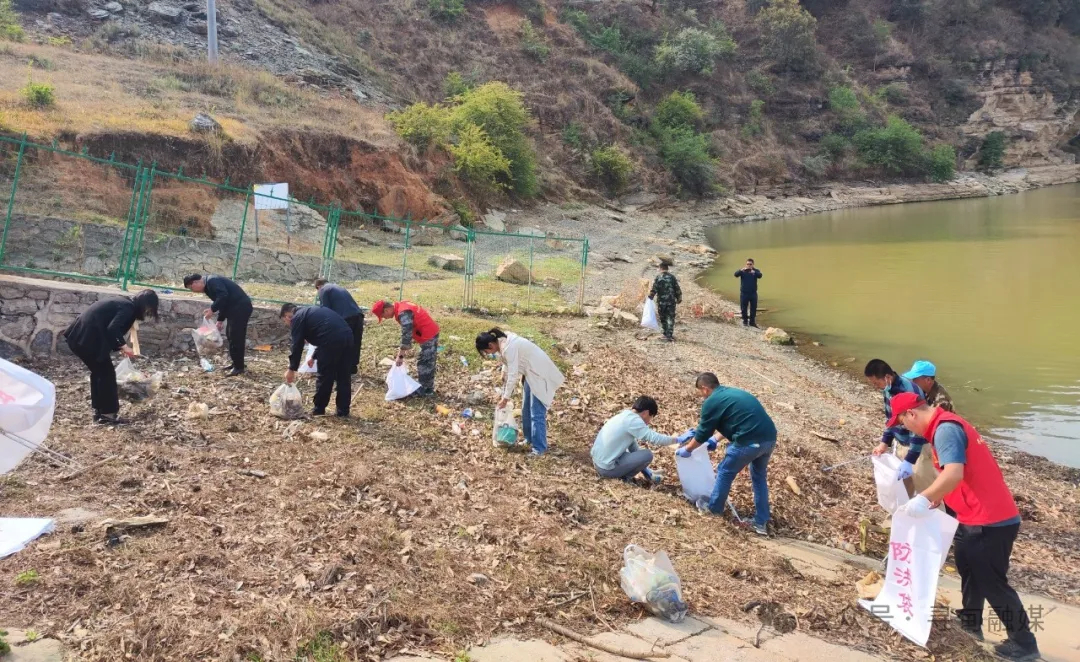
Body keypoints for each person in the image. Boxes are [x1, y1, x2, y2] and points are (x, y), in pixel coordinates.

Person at [891, 393, 1039, 661]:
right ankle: (971, 622)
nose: (905, 428)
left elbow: (954, 472)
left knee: (992, 582)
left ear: (911, 414)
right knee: (968, 567)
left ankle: (1024, 643)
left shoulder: (946, 429)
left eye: (903, 422)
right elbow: (958, 478)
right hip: (971, 516)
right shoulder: (943, 427)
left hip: (990, 520)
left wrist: (924, 498)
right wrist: (937, 498)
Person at [679, 372, 777, 536]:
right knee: (759, 478)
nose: (701, 397)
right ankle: (761, 522)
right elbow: (737, 419)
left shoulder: (711, 401)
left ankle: (714, 510)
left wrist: (687, 449)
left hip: (749, 441)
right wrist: (716, 439)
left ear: (704, 389)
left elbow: (702, 433)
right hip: (769, 439)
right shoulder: (731, 394)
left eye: (700, 393)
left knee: (725, 471)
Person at [62, 290, 159, 425]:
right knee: (106, 374)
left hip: (78, 337)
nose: (147, 312)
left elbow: (107, 326)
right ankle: (107, 414)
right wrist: (124, 346)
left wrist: (119, 346)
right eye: (148, 309)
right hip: (85, 339)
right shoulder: (128, 308)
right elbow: (113, 328)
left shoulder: (122, 302)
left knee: (99, 373)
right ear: (145, 304)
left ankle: (99, 412)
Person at [475, 328, 564, 456]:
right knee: (526, 408)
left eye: (487, 351)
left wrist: (505, 398)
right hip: (530, 373)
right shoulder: (502, 342)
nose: (489, 354)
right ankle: (529, 439)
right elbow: (508, 361)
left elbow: (513, 374)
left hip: (539, 373)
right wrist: (503, 371)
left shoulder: (509, 346)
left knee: (536, 412)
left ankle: (539, 448)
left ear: (490, 345)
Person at [864, 359, 936, 496]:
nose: (875, 386)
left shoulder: (909, 391)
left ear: (887, 377)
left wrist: (910, 459)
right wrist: (884, 443)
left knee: (927, 494)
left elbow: (919, 428)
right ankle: (903, 516)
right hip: (901, 444)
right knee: (902, 490)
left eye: (876, 383)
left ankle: (939, 517)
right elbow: (890, 418)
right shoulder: (887, 389)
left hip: (918, 448)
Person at [279, 303, 353, 418]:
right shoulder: (310, 312)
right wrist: (314, 356)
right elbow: (326, 332)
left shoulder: (297, 318)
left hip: (331, 340)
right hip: (347, 336)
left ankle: (319, 409)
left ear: (288, 316)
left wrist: (292, 369)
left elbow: (296, 345)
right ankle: (343, 411)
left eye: (285, 321)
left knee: (325, 375)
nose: (288, 324)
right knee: (343, 375)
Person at [592, 396, 679, 483]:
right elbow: (654, 438)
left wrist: (647, 472)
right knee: (647, 455)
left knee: (639, 454)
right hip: (606, 469)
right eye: (651, 417)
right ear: (646, 413)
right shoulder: (634, 421)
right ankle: (625, 478)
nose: (649, 422)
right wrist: (678, 440)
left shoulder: (625, 415)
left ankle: (649, 474)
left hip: (598, 462)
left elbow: (633, 448)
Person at [183, 274, 253, 377]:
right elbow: (222, 302)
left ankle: (239, 367)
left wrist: (212, 309)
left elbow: (223, 296)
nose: (193, 291)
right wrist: (220, 320)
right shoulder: (208, 286)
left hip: (240, 308)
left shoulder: (212, 281)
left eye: (191, 288)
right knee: (231, 336)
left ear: (195, 282)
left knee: (236, 337)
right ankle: (236, 363)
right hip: (234, 310)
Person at [371, 300, 440, 396]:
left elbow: (407, 334)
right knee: (426, 361)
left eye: (383, 316)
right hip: (428, 332)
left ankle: (426, 390)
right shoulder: (401, 306)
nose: (385, 318)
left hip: (428, 334)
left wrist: (400, 356)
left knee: (425, 363)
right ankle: (427, 387)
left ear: (386, 310)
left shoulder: (403, 312)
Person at [314, 278, 364, 375]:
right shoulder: (338, 287)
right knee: (354, 342)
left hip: (345, 319)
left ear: (318, 287)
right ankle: (352, 368)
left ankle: (341, 369)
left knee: (342, 343)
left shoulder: (323, 290)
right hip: (358, 316)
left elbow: (326, 311)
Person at [648, 259, 682, 342]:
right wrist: (679, 298)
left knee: (663, 317)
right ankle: (669, 335)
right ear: (667, 269)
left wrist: (650, 297)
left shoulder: (658, 277)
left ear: (661, 268)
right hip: (671, 301)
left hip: (661, 302)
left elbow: (654, 289)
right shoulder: (672, 277)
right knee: (670, 317)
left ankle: (665, 334)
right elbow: (677, 288)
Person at [733, 258, 763, 327]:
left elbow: (760, 275)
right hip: (744, 293)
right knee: (743, 308)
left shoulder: (755, 271)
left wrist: (754, 272)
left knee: (753, 308)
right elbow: (735, 274)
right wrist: (741, 270)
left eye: (750, 264)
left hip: (753, 293)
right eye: (747, 264)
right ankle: (745, 321)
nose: (749, 265)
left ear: (753, 265)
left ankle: (752, 322)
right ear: (745, 264)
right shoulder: (743, 271)